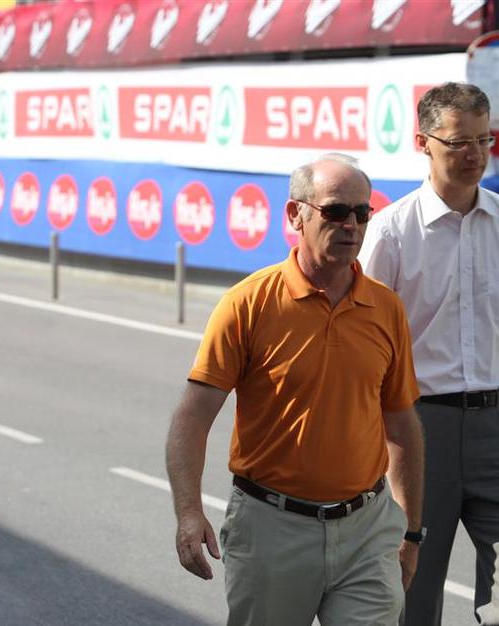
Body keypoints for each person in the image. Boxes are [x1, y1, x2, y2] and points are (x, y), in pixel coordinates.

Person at [165, 156, 425, 626]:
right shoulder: (247, 304)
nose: (351, 225)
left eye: (361, 213)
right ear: (295, 215)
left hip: (367, 531)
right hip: (272, 531)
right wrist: (188, 512)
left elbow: (401, 423)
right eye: (336, 211)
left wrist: (410, 530)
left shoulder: (386, 308)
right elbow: (193, 416)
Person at [359, 82, 499, 626]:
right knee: (412, 600)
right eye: (458, 142)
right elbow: (366, 348)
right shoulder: (391, 232)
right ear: (422, 143)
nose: (474, 154)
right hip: (415, 430)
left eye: (483, 139)